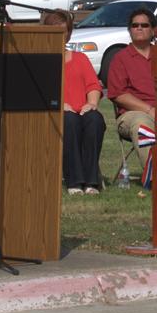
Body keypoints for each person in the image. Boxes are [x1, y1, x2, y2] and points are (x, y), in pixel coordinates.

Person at [45, 10, 105, 195]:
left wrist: (92, 103)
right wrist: (58, 105)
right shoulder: (41, 58)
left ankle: (91, 182)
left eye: (64, 31)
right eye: (55, 31)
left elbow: (93, 85)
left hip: (82, 112)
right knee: (69, 120)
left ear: (69, 33)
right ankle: (75, 181)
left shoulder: (80, 58)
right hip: (56, 114)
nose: (60, 35)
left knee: (94, 119)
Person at [106, 7, 157, 171]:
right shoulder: (120, 58)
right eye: (135, 25)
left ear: (153, 30)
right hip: (132, 115)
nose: (140, 28)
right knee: (141, 124)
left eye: (144, 25)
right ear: (130, 30)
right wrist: (150, 110)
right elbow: (118, 95)